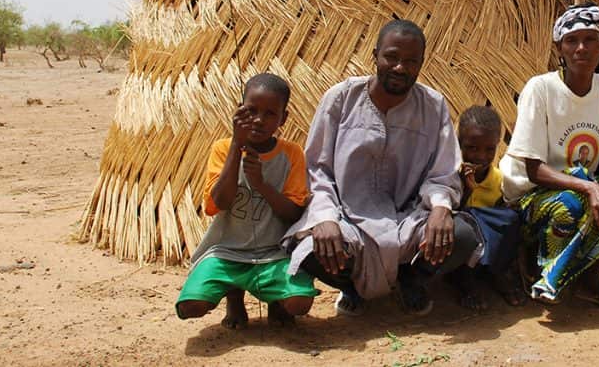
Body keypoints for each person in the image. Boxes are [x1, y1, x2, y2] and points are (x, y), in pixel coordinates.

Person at [284, 20, 482, 316]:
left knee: (462, 235)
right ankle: (350, 286)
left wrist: (441, 209)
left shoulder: (433, 105)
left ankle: (412, 277)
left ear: (421, 64)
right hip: (349, 221)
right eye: (392, 57)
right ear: (375, 55)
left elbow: (442, 173)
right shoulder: (340, 99)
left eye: (411, 61)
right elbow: (317, 170)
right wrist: (324, 217)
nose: (400, 68)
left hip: (408, 221)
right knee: (311, 247)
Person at [499, 4, 599, 313]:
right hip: (530, 195)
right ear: (560, 47)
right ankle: (541, 270)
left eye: (590, 40)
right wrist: (591, 188)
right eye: (572, 41)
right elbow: (534, 170)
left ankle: (591, 276)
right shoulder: (541, 88)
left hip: (577, 186)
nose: (581, 48)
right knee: (570, 204)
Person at [175, 73, 316, 328]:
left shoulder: (291, 153)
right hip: (227, 252)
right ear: (239, 111)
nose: (259, 120)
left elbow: (293, 213)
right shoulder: (222, 148)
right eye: (251, 111)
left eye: (270, 114)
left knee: (298, 303)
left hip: (274, 253)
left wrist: (261, 184)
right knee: (190, 307)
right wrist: (236, 147)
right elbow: (218, 203)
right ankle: (234, 296)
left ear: (283, 118)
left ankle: (275, 300)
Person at [450, 106, 526, 310]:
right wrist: (465, 188)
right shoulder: (450, 177)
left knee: (511, 218)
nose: (480, 156)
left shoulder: (499, 180)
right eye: (472, 148)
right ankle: (464, 283)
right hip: (460, 253)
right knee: (465, 220)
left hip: (486, 250)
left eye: (489, 149)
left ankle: (498, 274)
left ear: (497, 146)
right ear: (459, 144)